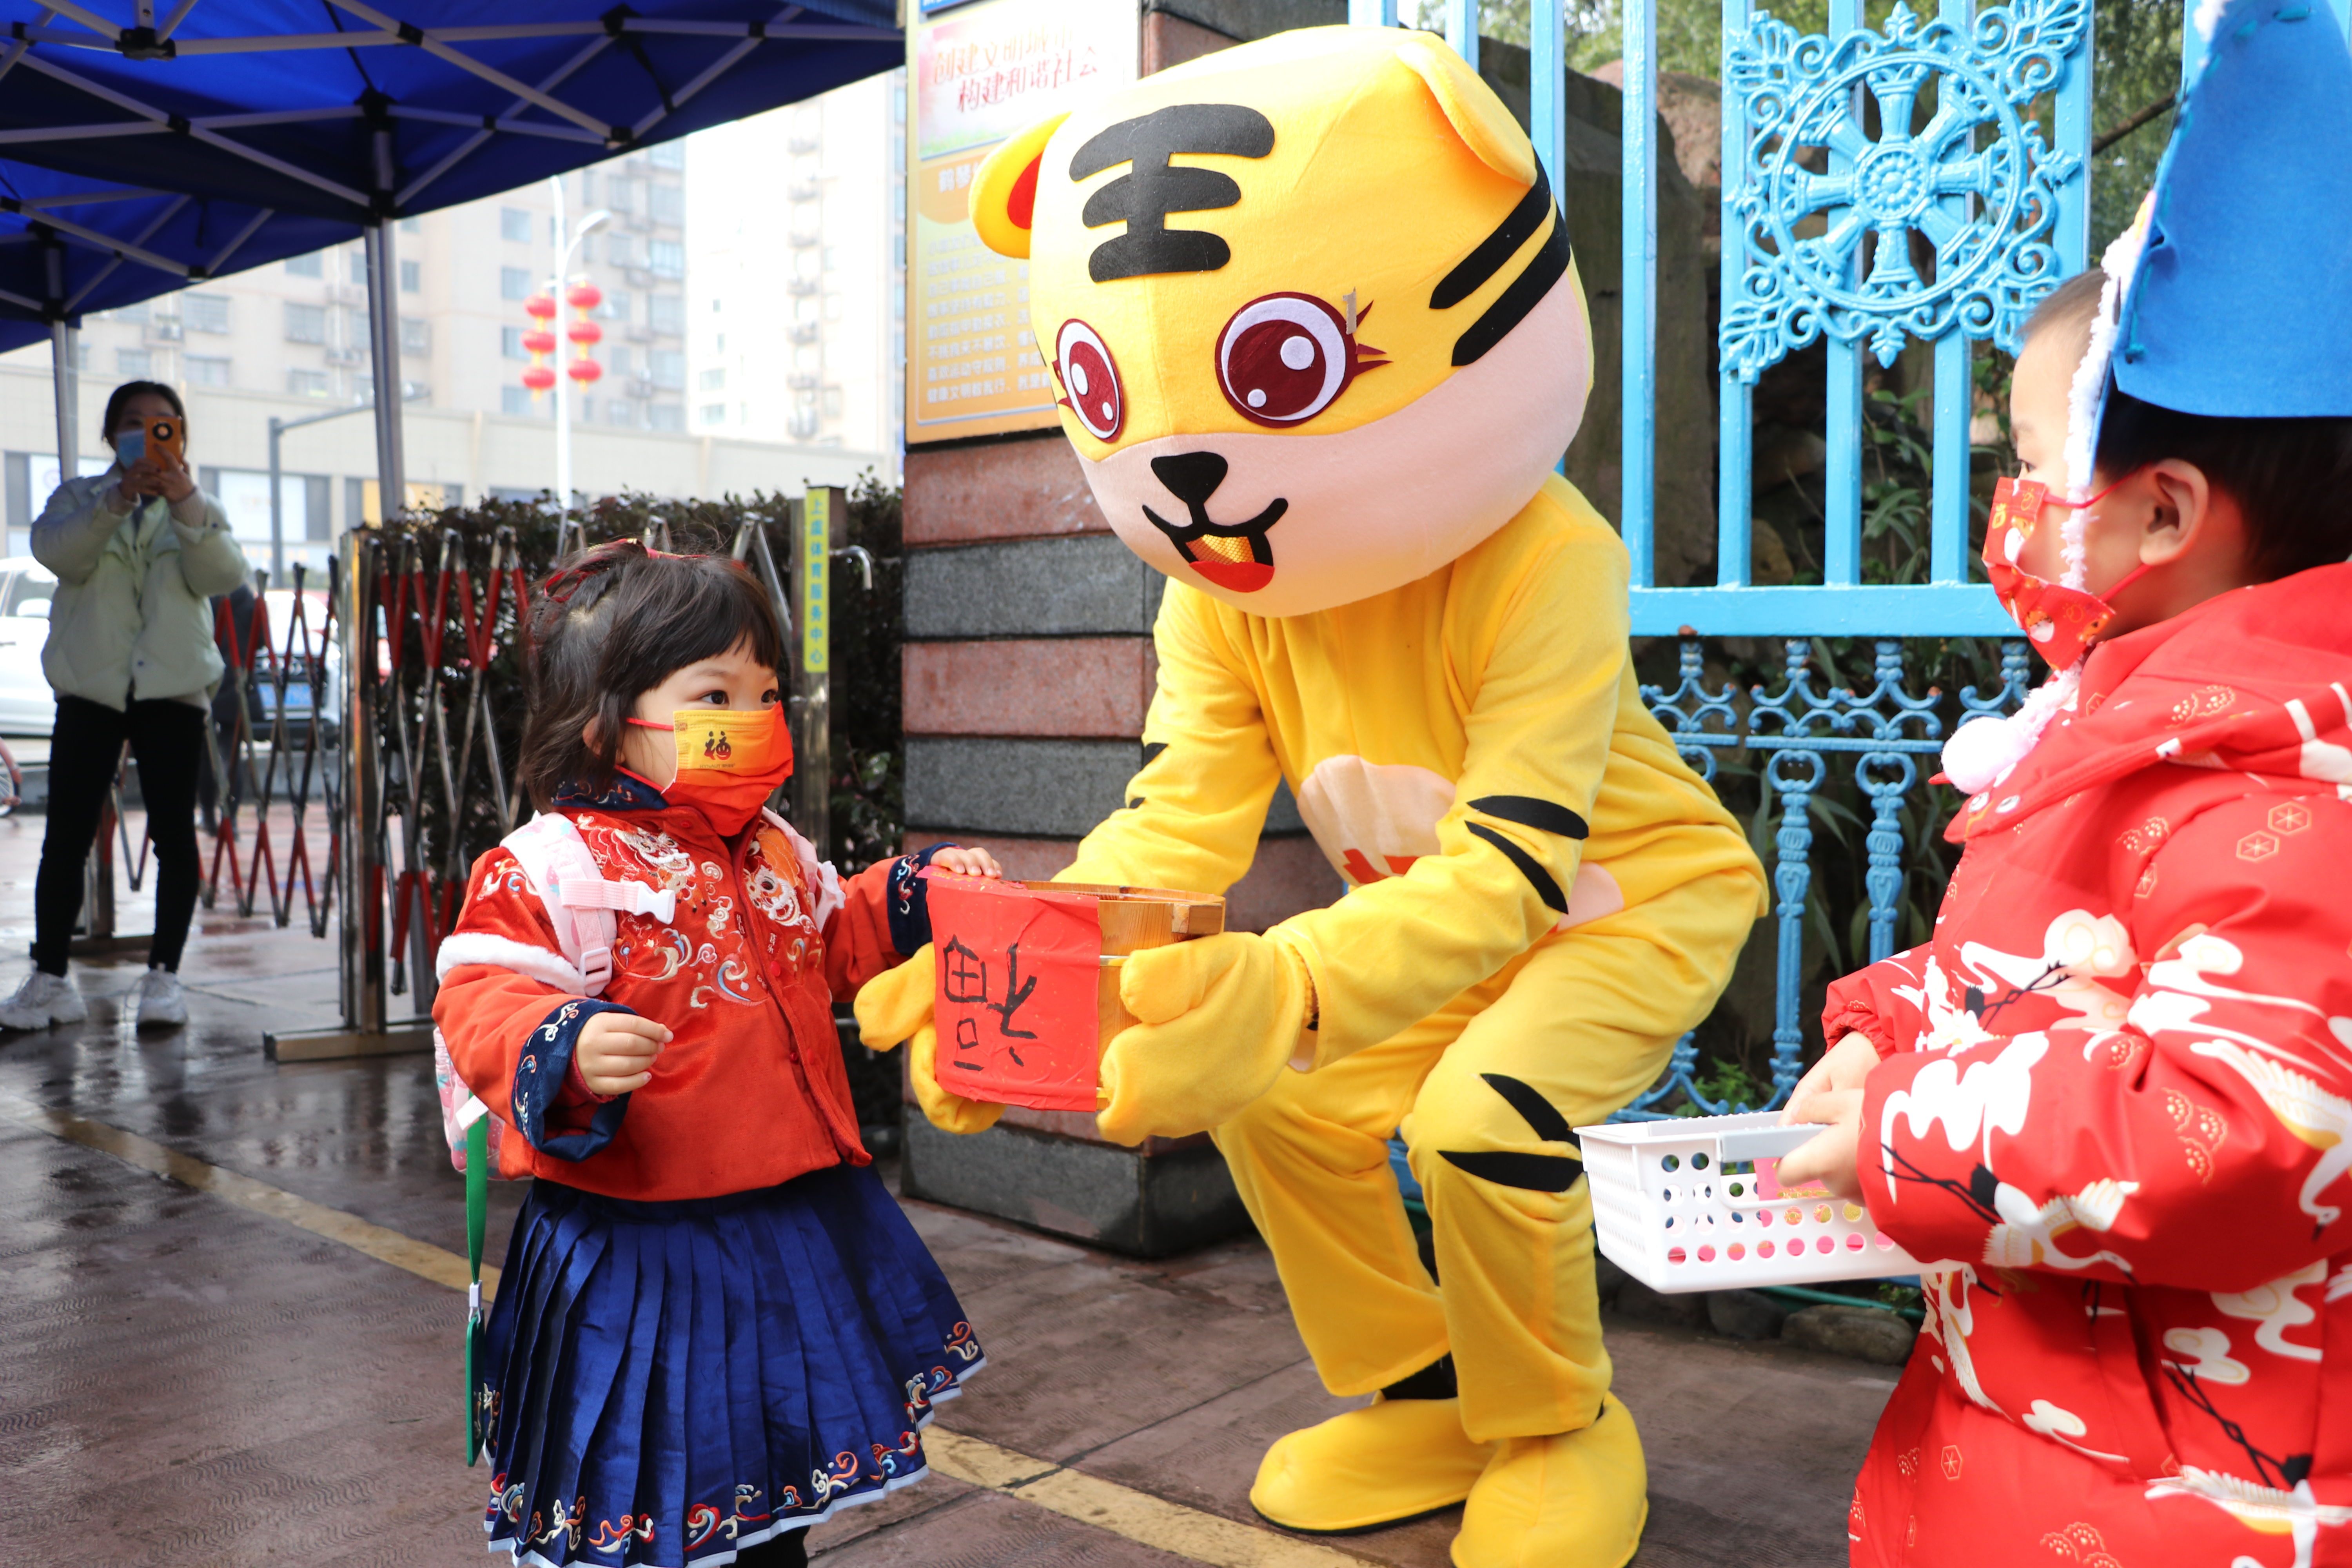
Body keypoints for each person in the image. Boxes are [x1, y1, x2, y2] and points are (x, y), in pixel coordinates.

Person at [867, 28, 1768, 1566]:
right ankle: (1425, 1389)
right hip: (1436, 927)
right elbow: (1181, 817)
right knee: (1284, 1106)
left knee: (1483, 1116)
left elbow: (1513, 870)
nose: (1193, 468)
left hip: (1628, 902)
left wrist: (1283, 983)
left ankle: (1557, 1422)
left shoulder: (1547, 557)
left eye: (1280, 364)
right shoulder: (1229, 592)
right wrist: (1022, 967)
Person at [1777, 4, 2352, 1561]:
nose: (2011, 516)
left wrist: (1912, 1124)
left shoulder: (2301, 779)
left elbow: (2254, 1124)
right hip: (2025, 1453)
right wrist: (1888, 1028)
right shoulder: (2130, 729)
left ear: (2165, 513)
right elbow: (2043, 970)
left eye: (2034, 468)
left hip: (2192, 1509)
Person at [433, 541, 999, 1568]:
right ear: (609, 718)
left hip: (787, 1228)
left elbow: (834, 945)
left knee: (769, 1488)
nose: (757, 719)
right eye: (716, 693)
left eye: (767, 693)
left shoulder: (776, 846)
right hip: (639, 1247)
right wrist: (555, 1038)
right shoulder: (551, 862)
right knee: (657, 1488)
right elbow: (477, 995)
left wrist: (909, 895)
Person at [2, 381, 248, 1033]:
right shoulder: (79, 498)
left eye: (164, 424)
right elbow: (58, 554)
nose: (149, 433)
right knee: (67, 834)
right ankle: (51, 977)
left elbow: (222, 577)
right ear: (112, 436)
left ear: (181, 437)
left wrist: (185, 502)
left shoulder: (197, 505)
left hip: (173, 685)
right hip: (92, 684)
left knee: (173, 833)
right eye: (135, 423)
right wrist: (117, 502)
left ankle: (164, 977)